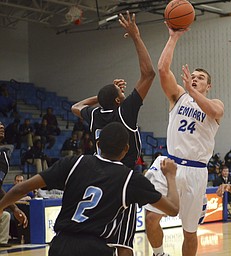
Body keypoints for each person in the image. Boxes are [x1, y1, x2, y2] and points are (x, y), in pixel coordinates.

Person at [0, 122, 179, 256]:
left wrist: (1, 207)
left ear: (98, 144)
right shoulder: (131, 179)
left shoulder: (74, 162)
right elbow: (172, 209)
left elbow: (19, 189)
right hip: (95, 248)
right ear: (126, 149)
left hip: (60, 245)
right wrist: (170, 176)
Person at [71, 11, 155, 256]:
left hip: (96, 177)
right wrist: (136, 37)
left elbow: (75, 107)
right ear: (120, 101)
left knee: (102, 240)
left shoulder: (95, 115)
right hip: (123, 178)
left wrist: (104, 94)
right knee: (123, 242)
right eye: (121, 96)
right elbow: (149, 74)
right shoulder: (124, 113)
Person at [144, 23, 224, 256]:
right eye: (194, 77)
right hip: (169, 164)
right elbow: (162, 70)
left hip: (196, 172)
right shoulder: (178, 97)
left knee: (190, 233)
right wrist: (173, 37)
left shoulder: (216, 104)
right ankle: (160, 255)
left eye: (201, 78)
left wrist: (193, 90)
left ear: (208, 86)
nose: (196, 79)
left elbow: (215, 111)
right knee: (151, 218)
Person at [0, 122, 28, 247]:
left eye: (1, 124)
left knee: (4, 214)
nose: (1, 126)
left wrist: (14, 208)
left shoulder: (4, 156)